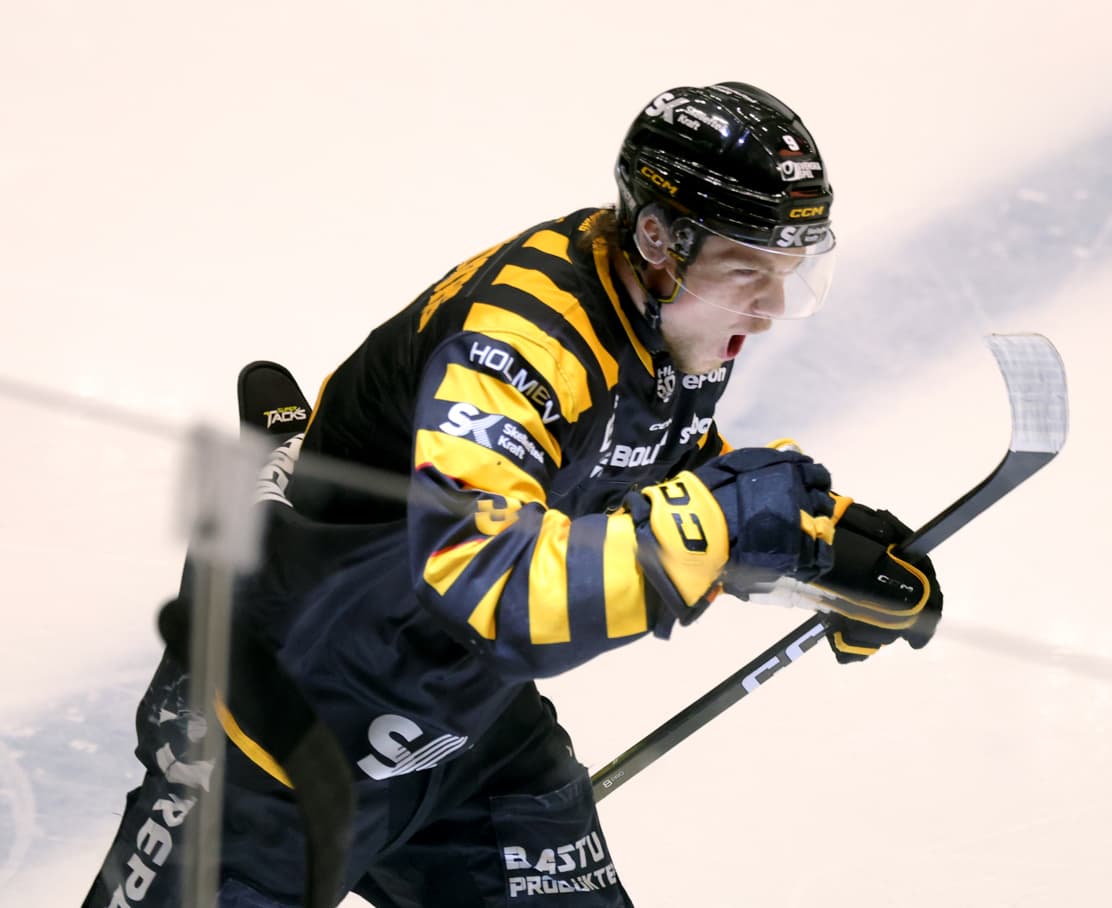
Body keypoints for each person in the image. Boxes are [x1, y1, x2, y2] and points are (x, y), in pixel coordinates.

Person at [84, 81, 943, 907]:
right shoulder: (521, 342)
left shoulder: (673, 323)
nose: (769, 306)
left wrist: (821, 547)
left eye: (788, 269)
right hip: (275, 749)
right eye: (746, 267)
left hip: (464, 733)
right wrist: (723, 521)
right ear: (659, 237)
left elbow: (650, 472)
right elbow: (495, 585)